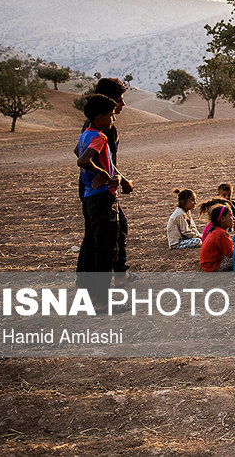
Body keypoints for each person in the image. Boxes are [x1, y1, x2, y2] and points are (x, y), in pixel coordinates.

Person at [76, 78, 134, 287]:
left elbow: (81, 152)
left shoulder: (91, 125)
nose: (122, 105)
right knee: (105, 237)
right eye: (119, 100)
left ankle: (92, 279)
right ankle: (106, 282)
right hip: (100, 191)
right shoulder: (103, 128)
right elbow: (89, 159)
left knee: (97, 234)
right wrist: (108, 175)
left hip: (93, 189)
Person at [75, 94, 121, 304]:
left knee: (95, 245)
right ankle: (102, 300)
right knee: (106, 249)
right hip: (103, 197)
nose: (113, 120)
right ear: (100, 117)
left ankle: (93, 295)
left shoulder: (85, 134)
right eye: (111, 116)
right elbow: (83, 160)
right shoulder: (100, 137)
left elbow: (78, 151)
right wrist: (103, 174)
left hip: (90, 197)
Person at [199, 204, 234, 272]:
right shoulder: (221, 233)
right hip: (213, 266)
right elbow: (230, 253)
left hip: (207, 265)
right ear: (222, 219)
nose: (233, 218)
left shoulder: (215, 231)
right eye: (230, 215)